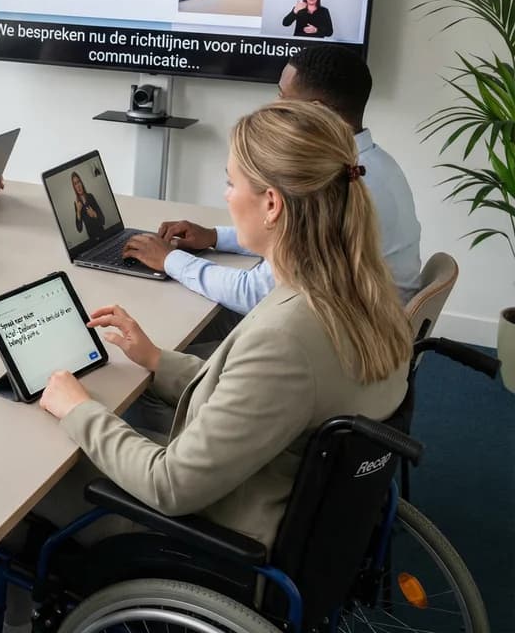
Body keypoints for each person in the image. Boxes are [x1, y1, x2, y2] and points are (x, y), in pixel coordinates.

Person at [38, 100, 412, 549]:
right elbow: (258, 397)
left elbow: (168, 486)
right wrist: (157, 360)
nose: (226, 196)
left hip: (217, 535)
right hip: (280, 498)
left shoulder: (287, 336)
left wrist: (77, 408)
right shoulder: (362, 292)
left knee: (35, 471)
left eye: (231, 183)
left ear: (271, 203)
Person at [122, 44, 422, 315]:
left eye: (283, 97)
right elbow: (299, 243)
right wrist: (214, 237)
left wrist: (170, 260)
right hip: (371, 330)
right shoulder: (374, 166)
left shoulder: (330, 186)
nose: (275, 106)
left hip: (343, 348)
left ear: (316, 111)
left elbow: (254, 293)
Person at [71, 171, 103, 245]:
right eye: (75, 184)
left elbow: (103, 220)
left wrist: (95, 214)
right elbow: (79, 229)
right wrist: (78, 211)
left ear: (81, 183)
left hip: (103, 235)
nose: (78, 186)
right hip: (92, 241)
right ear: (74, 187)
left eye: (78, 182)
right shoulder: (76, 204)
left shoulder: (90, 196)